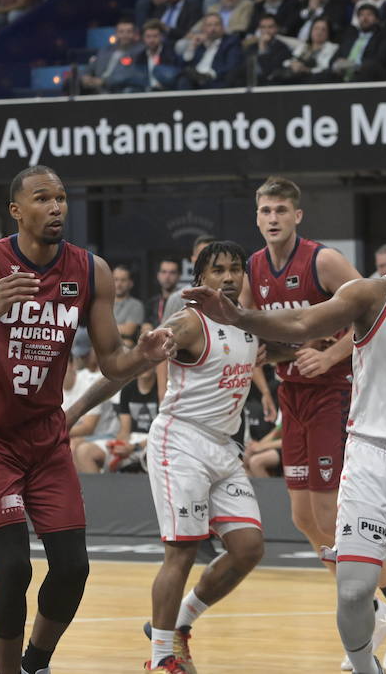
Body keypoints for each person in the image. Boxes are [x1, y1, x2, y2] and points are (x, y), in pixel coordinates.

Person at [186, 200, 386, 674]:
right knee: (351, 585)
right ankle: (373, 653)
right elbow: (303, 323)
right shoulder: (374, 292)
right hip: (373, 453)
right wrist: (239, 318)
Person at [0, 165, 173, 674]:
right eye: (43, 199)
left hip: (46, 437)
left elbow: (113, 362)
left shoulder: (91, 270)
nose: (56, 208)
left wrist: (145, 355)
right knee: (14, 567)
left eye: (62, 198)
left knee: (72, 567)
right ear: (16, 210)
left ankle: (34, 664)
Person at [65, 241, 269, 673]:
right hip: (181, 442)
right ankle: (161, 659)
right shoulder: (188, 324)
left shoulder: (248, 324)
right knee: (182, 552)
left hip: (223, 446)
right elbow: (126, 369)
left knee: (248, 547)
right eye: (218, 271)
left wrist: (317, 348)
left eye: (236, 269)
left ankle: (180, 623)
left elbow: (274, 347)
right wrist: (72, 413)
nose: (230, 278)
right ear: (200, 280)